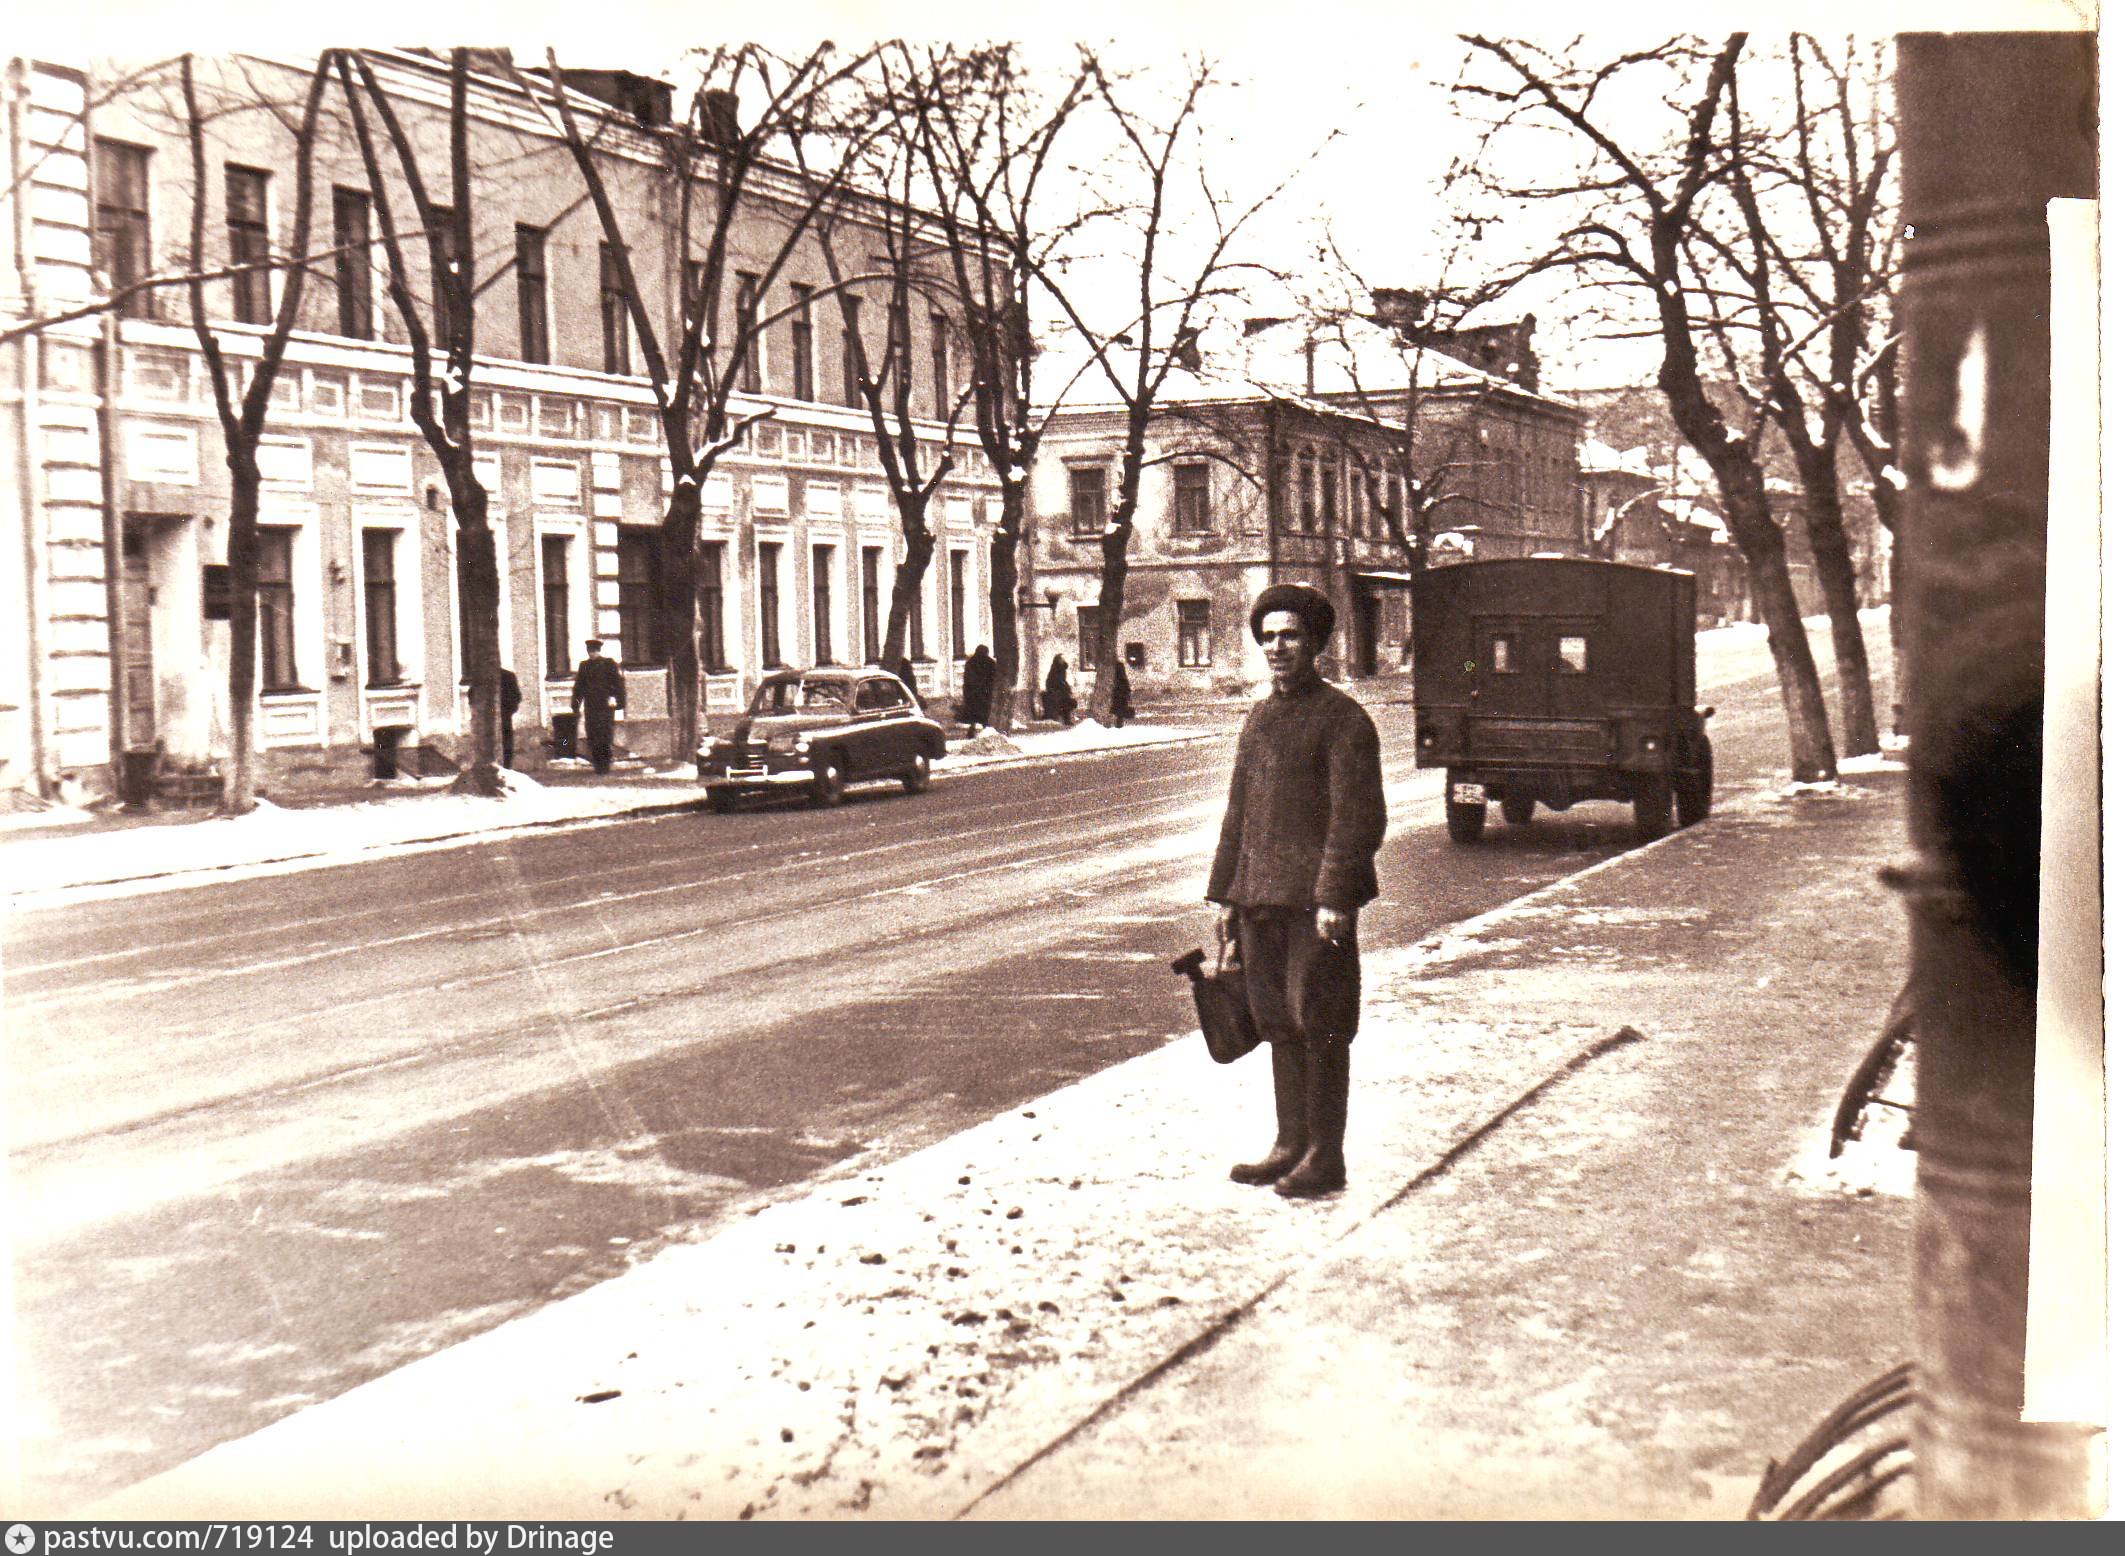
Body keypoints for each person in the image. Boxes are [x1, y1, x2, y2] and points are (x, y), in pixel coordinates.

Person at [1206, 583, 1387, 1199]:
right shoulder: (1259, 719)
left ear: (1314, 645)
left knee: (1324, 1022)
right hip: (1260, 898)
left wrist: (1336, 895)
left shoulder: (1343, 721)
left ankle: (1324, 1156)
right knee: (1277, 1019)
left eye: (1290, 636)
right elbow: (1240, 815)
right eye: (1268, 637)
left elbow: (1356, 818)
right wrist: (1228, 897)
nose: (1277, 648)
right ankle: (1289, 1144)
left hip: (1316, 906)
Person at [569, 638, 626, 775]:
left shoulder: (608, 664)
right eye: (590, 651)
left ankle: (605, 764)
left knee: (605, 734)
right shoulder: (584, 666)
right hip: (591, 706)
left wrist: (619, 702)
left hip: (605, 706)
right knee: (593, 734)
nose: (592, 654)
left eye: (594, 651)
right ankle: (597, 764)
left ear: (598, 651)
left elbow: (618, 684)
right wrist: (575, 705)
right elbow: (579, 687)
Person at [959, 644, 997, 732]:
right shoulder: (990, 662)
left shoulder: (971, 662)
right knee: (985, 712)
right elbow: (994, 677)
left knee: (973, 713)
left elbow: (967, 679)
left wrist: (966, 692)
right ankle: (985, 729)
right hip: (986, 692)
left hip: (973, 692)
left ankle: (972, 728)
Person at [1041, 654, 1077, 724]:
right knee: (1064, 703)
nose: (1062, 660)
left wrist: (1067, 688)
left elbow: (1062, 681)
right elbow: (1052, 681)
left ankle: (1067, 720)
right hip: (1056, 692)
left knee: (1067, 702)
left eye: (1063, 659)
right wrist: (1054, 690)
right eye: (1061, 659)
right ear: (1057, 660)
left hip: (1062, 692)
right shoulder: (1055, 669)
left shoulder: (1062, 668)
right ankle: (1066, 720)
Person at [498, 666, 522, 769]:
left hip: (503, 716)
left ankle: (506, 766)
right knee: (506, 742)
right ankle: (506, 766)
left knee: (506, 742)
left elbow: (516, 697)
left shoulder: (507, 676)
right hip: (504, 716)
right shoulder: (508, 675)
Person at [1111, 658, 1134, 726]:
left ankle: (1118, 723)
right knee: (1120, 711)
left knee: (1118, 710)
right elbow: (1126, 685)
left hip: (1117, 694)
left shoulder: (1115, 679)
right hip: (1121, 695)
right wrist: (1128, 694)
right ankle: (1119, 723)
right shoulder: (1122, 678)